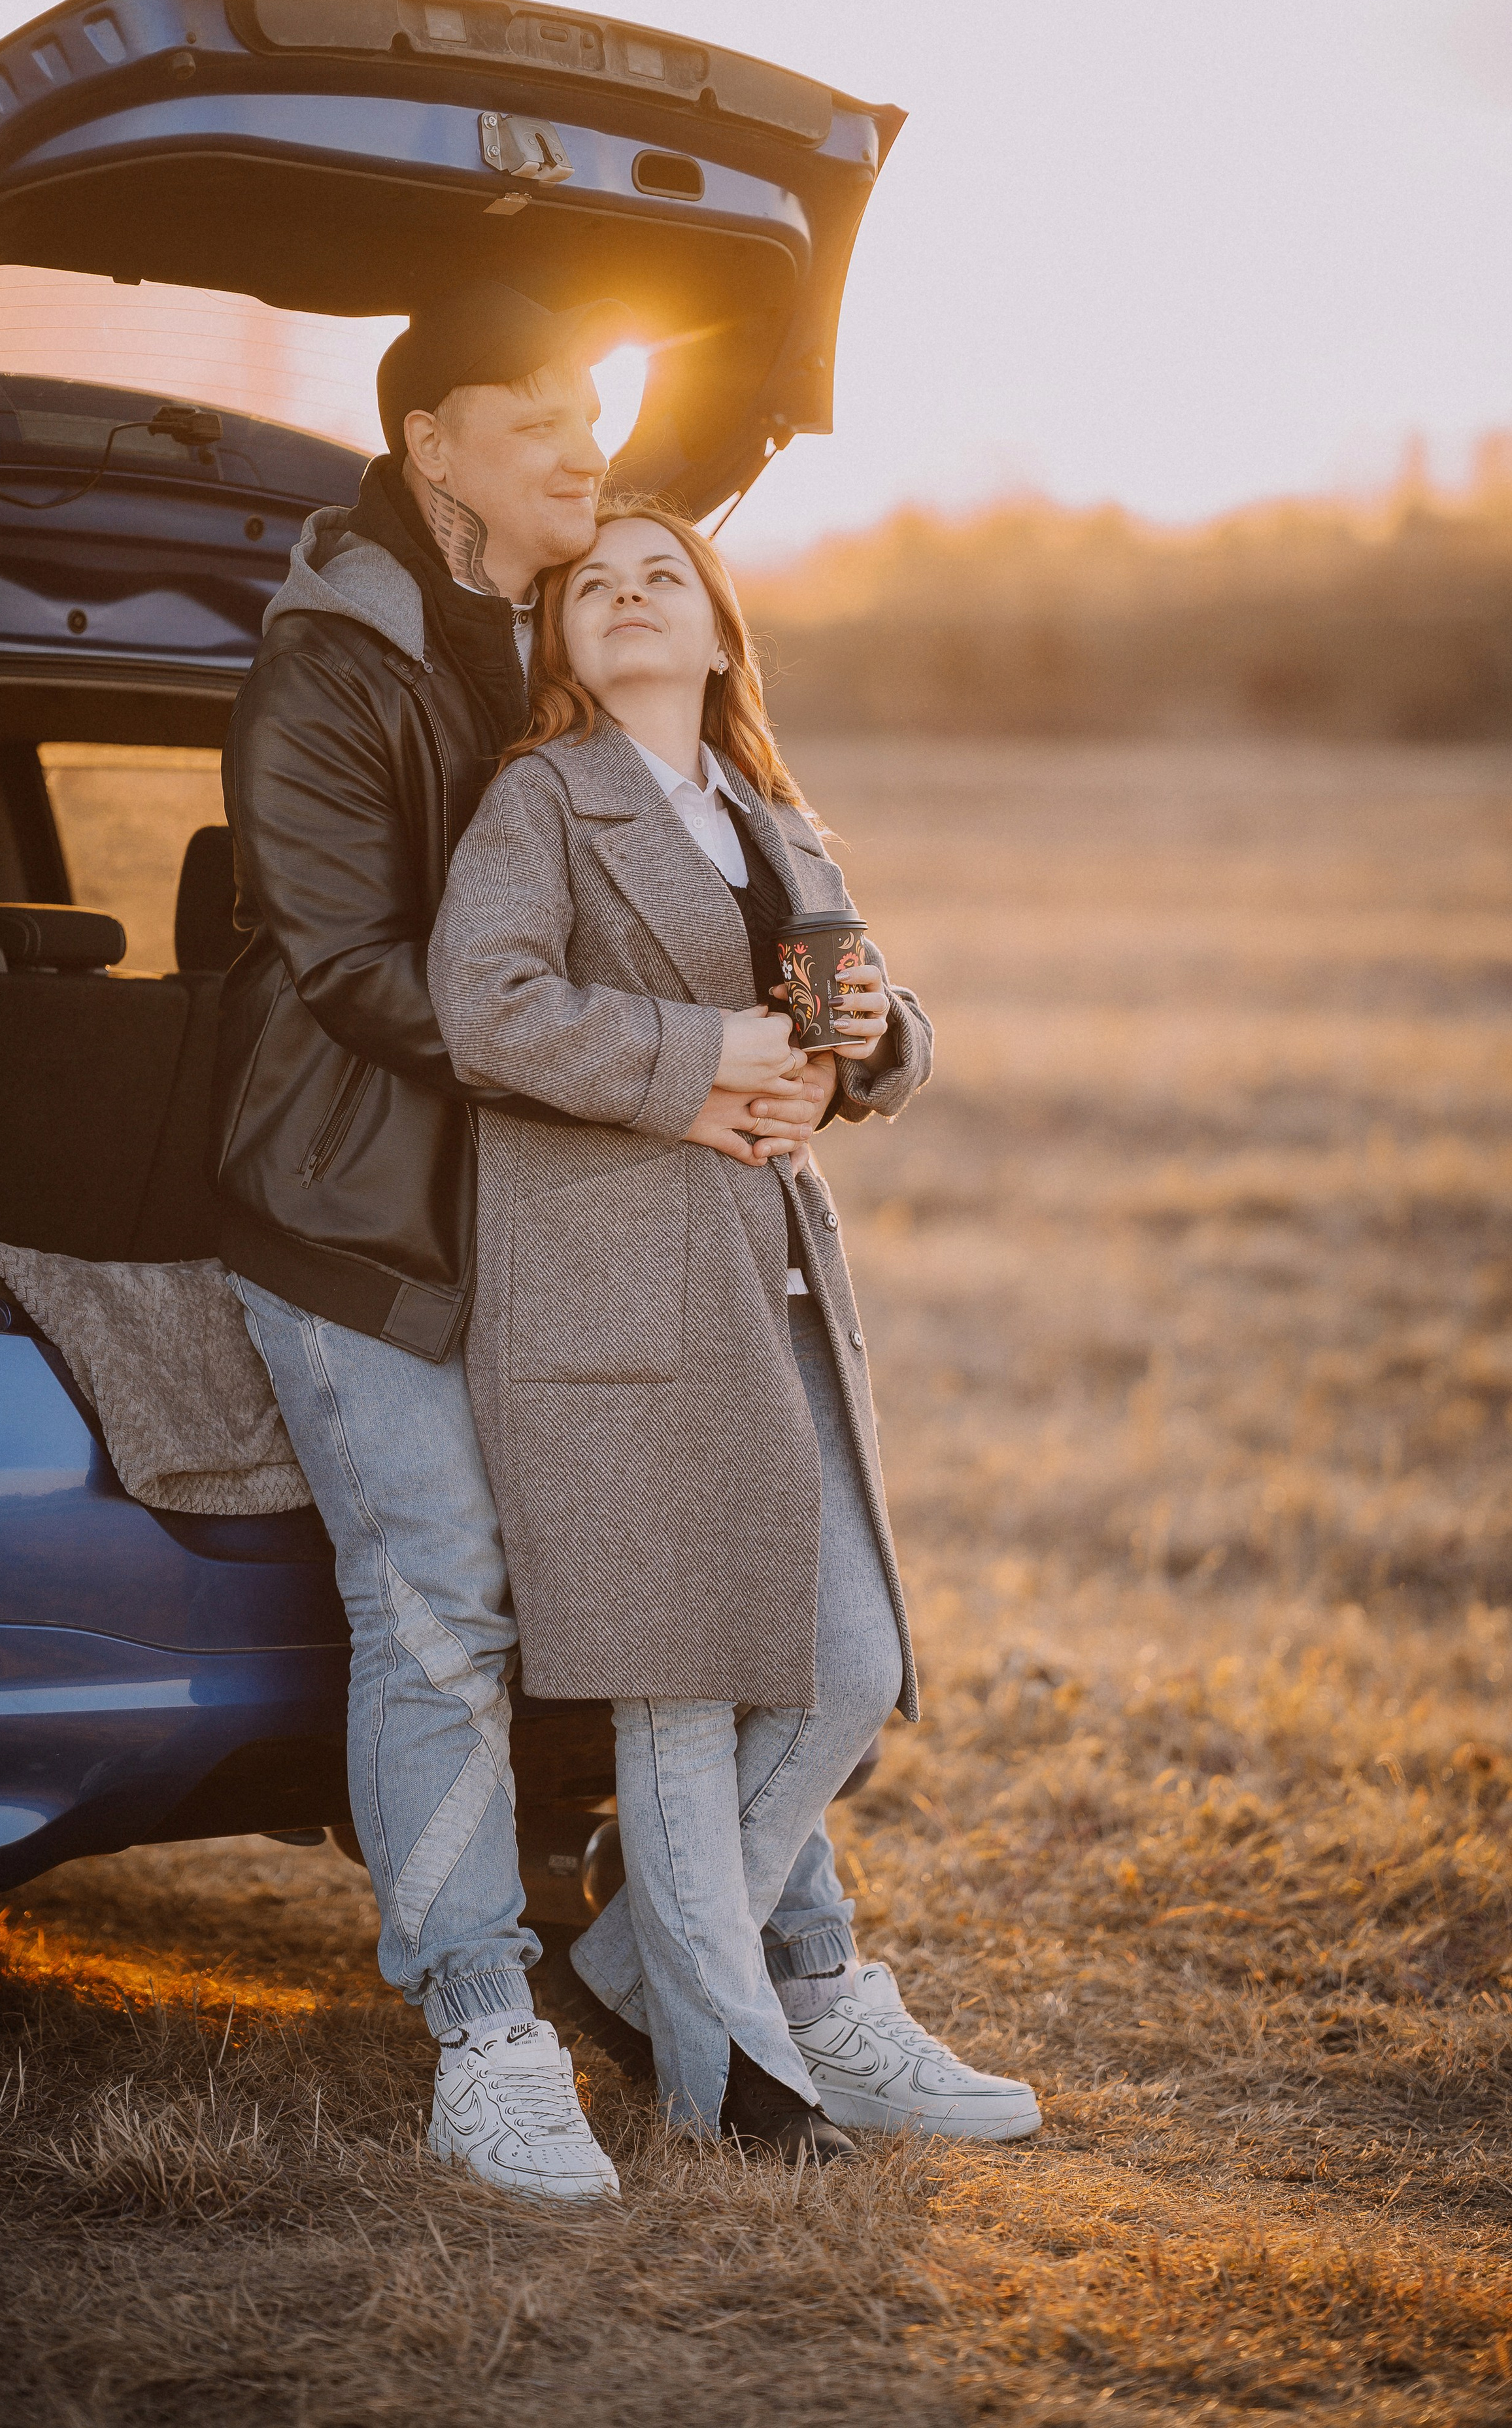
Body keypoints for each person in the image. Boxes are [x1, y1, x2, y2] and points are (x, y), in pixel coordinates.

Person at [210, 285, 834, 2201]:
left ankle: (772, 1965)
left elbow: (664, 916)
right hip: (355, 1212)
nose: (588, 446)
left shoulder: (550, 641)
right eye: (541, 418)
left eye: (596, 410)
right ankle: (485, 2022)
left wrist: (799, 1053)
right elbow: (379, 976)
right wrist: (673, 1073)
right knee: (449, 1594)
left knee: (708, 1564)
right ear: (434, 451)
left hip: (558, 1218)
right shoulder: (331, 670)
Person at [430, 506, 1043, 2157]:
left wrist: (877, 1034)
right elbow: (481, 1006)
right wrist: (696, 1055)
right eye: (594, 586)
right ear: (560, 643)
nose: (627, 598)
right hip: (609, 1287)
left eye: (663, 579)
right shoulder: (537, 801)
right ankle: (738, 2083)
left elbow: (866, 1033)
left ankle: (632, 1963)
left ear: (717, 634)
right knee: (678, 1686)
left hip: (773, 1288)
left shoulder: (771, 818)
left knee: (850, 1660)